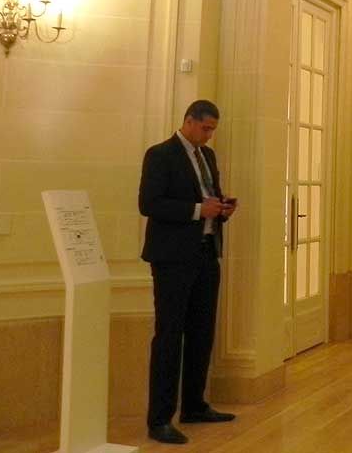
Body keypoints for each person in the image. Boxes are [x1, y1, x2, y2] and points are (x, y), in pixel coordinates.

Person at [138, 100, 239, 445]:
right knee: (170, 335)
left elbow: (211, 195)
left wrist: (221, 208)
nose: (209, 136)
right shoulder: (160, 154)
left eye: (213, 130)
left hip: (206, 253)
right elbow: (149, 204)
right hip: (172, 259)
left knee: (202, 332)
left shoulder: (207, 157)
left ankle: (195, 405)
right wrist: (198, 210)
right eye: (206, 128)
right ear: (189, 121)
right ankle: (160, 418)